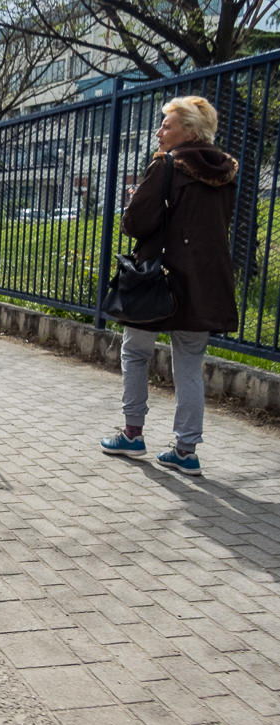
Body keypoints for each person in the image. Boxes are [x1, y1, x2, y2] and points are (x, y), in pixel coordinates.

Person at [100, 96, 239, 476]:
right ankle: (186, 450)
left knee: (135, 352)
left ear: (189, 132)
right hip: (204, 282)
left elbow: (135, 224)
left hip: (157, 280)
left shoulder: (167, 165)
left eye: (167, 125)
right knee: (190, 364)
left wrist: (135, 203)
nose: (159, 131)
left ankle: (132, 434)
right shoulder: (225, 172)